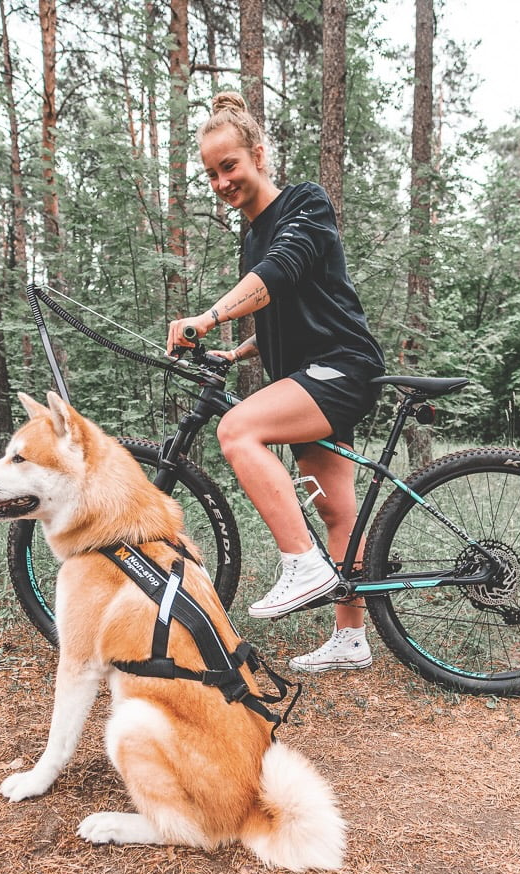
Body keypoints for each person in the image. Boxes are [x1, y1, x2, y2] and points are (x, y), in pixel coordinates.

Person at [165, 91, 386, 673]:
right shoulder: (251, 236)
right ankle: (351, 637)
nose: (220, 182)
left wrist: (207, 315)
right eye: (211, 173)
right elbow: (279, 309)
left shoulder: (304, 204)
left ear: (259, 156)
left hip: (342, 368)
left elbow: (280, 275)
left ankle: (303, 565)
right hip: (310, 377)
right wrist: (233, 348)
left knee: (238, 430)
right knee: (339, 512)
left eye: (229, 165)